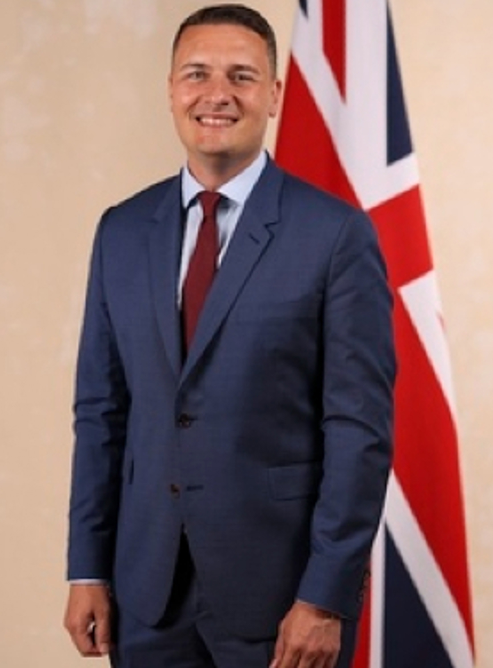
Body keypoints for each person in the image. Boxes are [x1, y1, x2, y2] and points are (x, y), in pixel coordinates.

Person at [64, 4, 395, 667]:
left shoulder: (334, 235)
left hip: (283, 600)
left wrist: (325, 597)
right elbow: (102, 415)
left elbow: (358, 430)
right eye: (197, 74)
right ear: (170, 91)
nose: (217, 94)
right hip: (145, 593)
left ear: (273, 96)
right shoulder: (122, 231)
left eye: (242, 76)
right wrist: (87, 570)